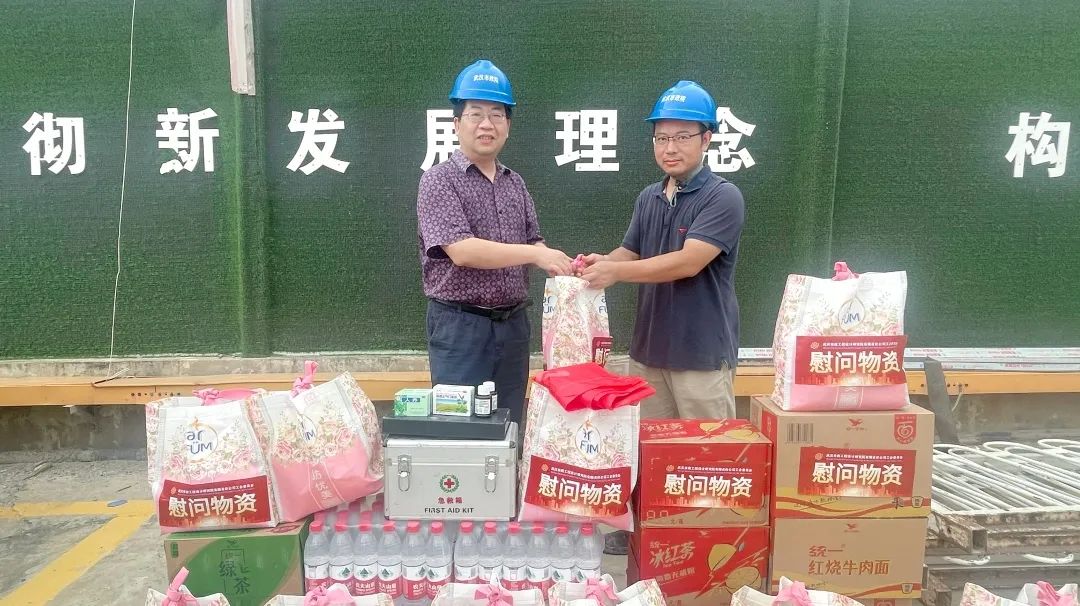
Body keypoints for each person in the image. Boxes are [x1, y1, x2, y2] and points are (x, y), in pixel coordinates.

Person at [578, 80, 746, 554]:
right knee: (649, 453)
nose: (670, 148)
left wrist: (616, 272)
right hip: (650, 352)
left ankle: (713, 545)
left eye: (682, 137)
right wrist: (599, 264)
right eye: (661, 138)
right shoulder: (650, 197)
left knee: (707, 459)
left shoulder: (723, 197)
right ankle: (646, 536)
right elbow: (631, 251)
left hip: (701, 355)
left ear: (707, 139)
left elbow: (687, 262)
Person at [416, 60, 573, 425]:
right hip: (460, 329)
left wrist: (563, 266)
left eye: (497, 115)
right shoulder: (438, 181)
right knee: (461, 431)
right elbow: (462, 250)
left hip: (513, 327)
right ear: (456, 124)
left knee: (510, 425)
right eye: (476, 114)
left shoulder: (514, 183)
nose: (486, 124)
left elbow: (534, 241)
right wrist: (536, 254)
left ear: (507, 126)